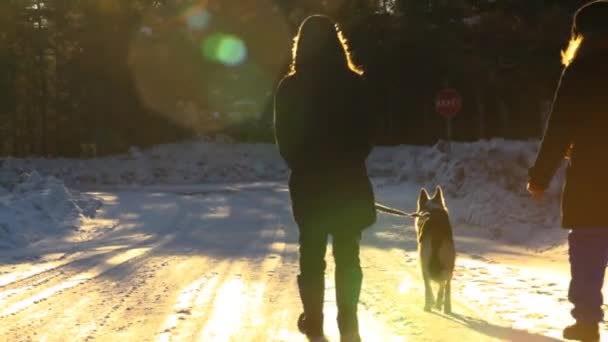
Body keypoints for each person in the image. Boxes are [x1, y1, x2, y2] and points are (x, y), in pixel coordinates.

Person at [273, 15, 376, 342]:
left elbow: (284, 140)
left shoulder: (290, 88)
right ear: (337, 43)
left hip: (310, 187)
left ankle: (314, 322)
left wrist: (305, 166)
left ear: (300, 46)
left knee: (311, 255)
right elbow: (367, 135)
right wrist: (347, 162)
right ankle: (349, 323)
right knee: (348, 255)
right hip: (348, 184)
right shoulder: (356, 84)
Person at [527, 1, 608, 341]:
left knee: (588, 249)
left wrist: (540, 176)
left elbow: (559, 126)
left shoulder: (580, 69)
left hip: (591, 177)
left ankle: (587, 322)